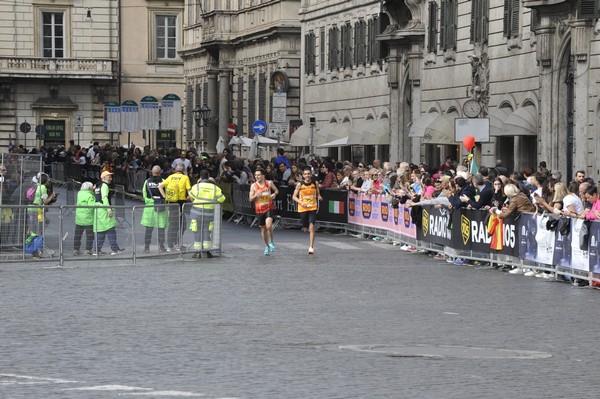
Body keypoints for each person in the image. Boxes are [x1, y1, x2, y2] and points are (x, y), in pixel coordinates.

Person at [188, 169, 226, 258]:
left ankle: (197, 252)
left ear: (200, 177)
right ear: (208, 177)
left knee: (196, 231)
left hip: (196, 213)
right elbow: (222, 199)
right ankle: (207, 251)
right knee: (207, 231)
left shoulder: (196, 186)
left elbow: (191, 196)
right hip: (209, 214)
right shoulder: (215, 188)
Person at [160, 164, 191, 251]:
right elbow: (189, 191)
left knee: (173, 224)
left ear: (175, 170)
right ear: (184, 170)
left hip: (171, 203)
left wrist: (165, 197)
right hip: (181, 203)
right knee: (182, 225)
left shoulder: (170, 177)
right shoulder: (185, 178)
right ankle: (176, 244)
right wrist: (192, 201)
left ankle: (171, 245)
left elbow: (160, 186)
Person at [93, 171, 125, 255]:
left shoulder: (97, 186)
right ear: (103, 178)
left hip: (98, 210)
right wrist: (109, 209)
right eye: (109, 177)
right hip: (104, 211)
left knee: (101, 230)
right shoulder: (104, 186)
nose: (111, 178)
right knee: (111, 230)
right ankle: (115, 249)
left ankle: (96, 249)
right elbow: (104, 198)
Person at [249, 169, 279, 256]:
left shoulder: (269, 183)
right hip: (259, 209)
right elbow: (250, 199)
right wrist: (256, 195)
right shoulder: (253, 186)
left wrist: (274, 194)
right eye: (256, 175)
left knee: (269, 226)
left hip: (269, 207)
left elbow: (276, 190)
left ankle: (272, 242)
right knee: (263, 229)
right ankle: (266, 245)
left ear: (263, 176)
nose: (257, 177)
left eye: (259, 175)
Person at [293, 168, 322, 254]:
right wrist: (301, 202)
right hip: (302, 208)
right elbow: (294, 197)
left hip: (313, 207)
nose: (307, 175)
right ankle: (305, 226)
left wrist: (319, 196)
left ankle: (311, 247)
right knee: (306, 228)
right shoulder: (300, 185)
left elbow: (318, 193)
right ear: (303, 175)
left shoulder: (315, 183)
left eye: (309, 174)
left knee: (312, 227)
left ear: (311, 174)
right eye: (305, 174)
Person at [141, 165, 168, 254]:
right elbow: (166, 194)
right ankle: (161, 247)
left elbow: (144, 196)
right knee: (161, 228)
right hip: (161, 207)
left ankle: (146, 247)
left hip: (149, 208)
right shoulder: (164, 182)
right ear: (160, 172)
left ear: (152, 172)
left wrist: (151, 200)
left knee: (148, 229)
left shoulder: (147, 182)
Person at [73, 181, 96, 256]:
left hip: (79, 218)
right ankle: (88, 249)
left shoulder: (79, 193)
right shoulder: (90, 195)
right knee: (90, 235)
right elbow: (91, 205)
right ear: (90, 188)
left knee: (78, 235)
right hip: (88, 218)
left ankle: (76, 249)